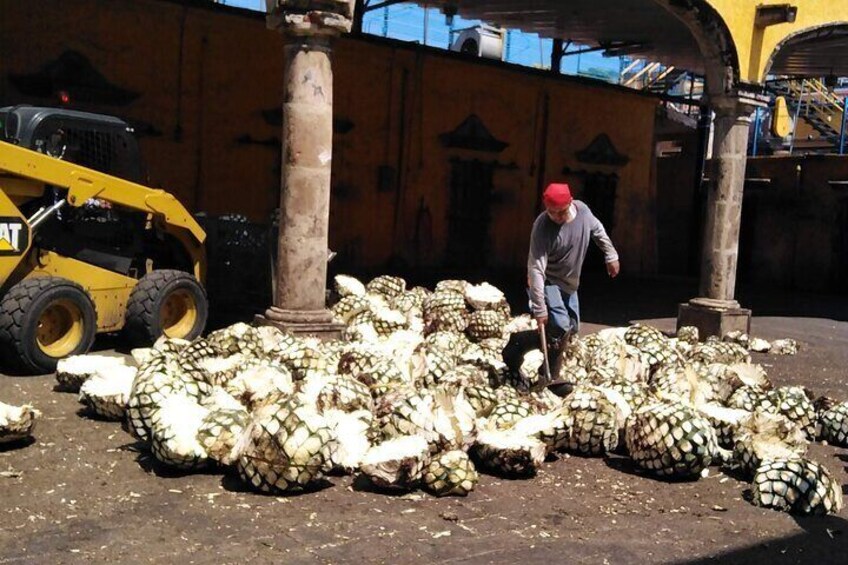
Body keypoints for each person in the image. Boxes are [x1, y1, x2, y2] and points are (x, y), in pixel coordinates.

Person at [527, 182, 620, 366]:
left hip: (570, 283)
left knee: (573, 328)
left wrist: (611, 255)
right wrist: (540, 308)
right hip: (549, 280)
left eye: (561, 212)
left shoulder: (583, 212)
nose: (556, 217)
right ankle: (547, 365)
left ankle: (536, 344)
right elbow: (536, 268)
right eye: (551, 212)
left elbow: (598, 230)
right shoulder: (542, 226)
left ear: (570, 202)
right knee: (561, 325)